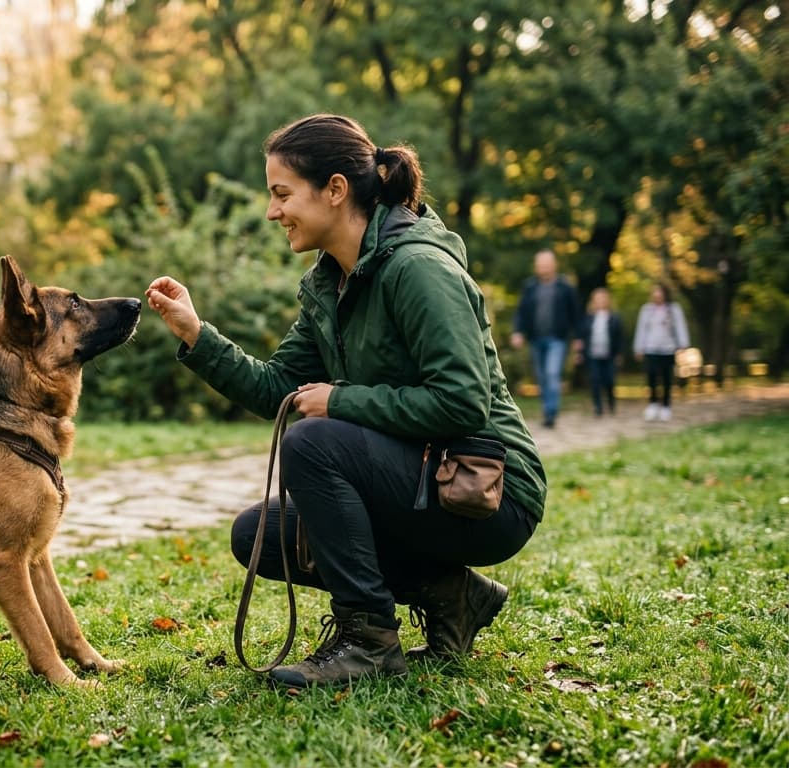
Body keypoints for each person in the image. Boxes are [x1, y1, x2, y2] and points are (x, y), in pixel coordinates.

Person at [144, 114, 546, 689]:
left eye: (282, 194)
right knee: (260, 536)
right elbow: (277, 389)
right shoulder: (329, 283)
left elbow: (462, 403)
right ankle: (453, 596)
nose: (271, 212)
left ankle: (369, 641)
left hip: (489, 491)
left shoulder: (418, 268)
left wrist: (342, 401)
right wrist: (196, 334)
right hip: (420, 480)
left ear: (335, 190)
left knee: (312, 440)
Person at [509, 250, 582, 428]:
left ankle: (551, 412)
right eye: (540, 264)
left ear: (554, 265)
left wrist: (578, 338)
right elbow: (522, 311)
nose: (543, 268)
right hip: (536, 338)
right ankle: (547, 409)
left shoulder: (565, 287)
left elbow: (575, 314)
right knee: (542, 377)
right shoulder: (530, 287)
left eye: (546, 264)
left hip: (557, 338)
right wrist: (517, 331)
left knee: (552, 373)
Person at [632, 282, 690, 421]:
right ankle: (652, 404)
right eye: (654, 292)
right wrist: (638, 348)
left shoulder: (673, 309)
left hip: (667, 349)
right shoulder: (646, 310)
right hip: (651, 348)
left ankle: (666, 406)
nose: (657, 295)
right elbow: (641, 330)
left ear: (665, 294)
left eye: (659, 292)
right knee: (651, 376)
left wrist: (683, 345)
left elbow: (680, 327)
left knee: (667, 377)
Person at [576, 287, 624, 416]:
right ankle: (598, 407)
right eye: (597, 299)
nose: (600, 301)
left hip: (609, 355)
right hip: (592, 354)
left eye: (603, 299)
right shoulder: (588, 317)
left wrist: (619, 354)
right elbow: (582, 336)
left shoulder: (614, 318)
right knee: (595, 380)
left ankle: (611, 403)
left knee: (609, 380)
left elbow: (619, 337)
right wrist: (579, 352)